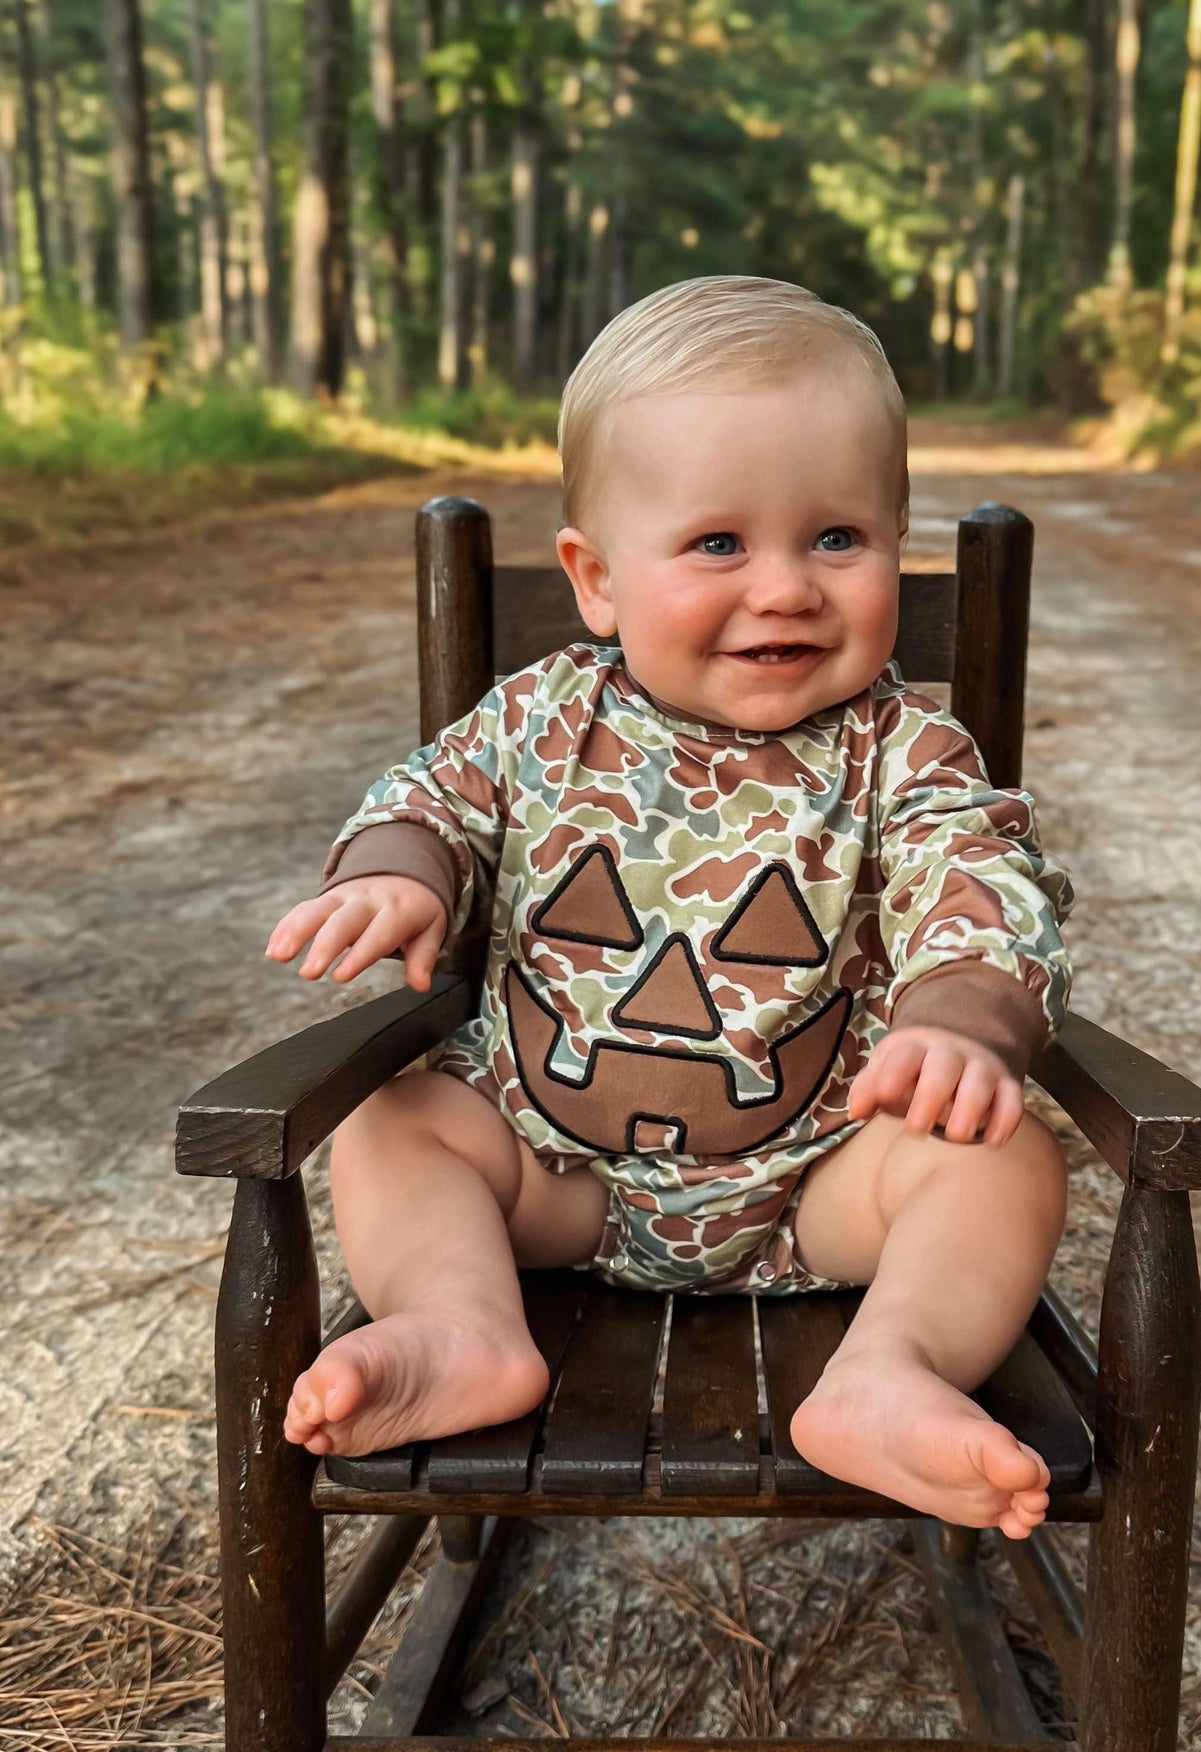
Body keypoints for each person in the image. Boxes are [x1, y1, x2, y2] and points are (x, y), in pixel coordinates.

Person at [266, 276, 1074, 1539]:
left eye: (835, 539)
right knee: (392, 1121)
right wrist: (397, 869)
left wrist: (965, 1020)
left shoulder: (903, 748)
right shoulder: (542, 718)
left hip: (823, 1181)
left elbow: (975, 880)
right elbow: (434, 795)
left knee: (1002, 1159)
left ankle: (886, 1368)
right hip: (551, 1170)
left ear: (894, 544)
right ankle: (465, 1322)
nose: (787, 587)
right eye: (716, 544)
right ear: (595, 580)